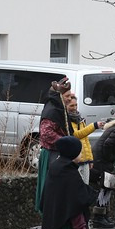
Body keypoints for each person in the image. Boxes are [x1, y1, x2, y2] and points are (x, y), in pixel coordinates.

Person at [36, 78, 72, 210]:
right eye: (67, 96)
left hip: (57, 153)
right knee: (53, 190)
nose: (70, 98)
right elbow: (46, 133)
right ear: (59, 96)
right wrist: (66, 142)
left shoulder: (59, 108)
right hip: (52, 155)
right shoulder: (52, 110)